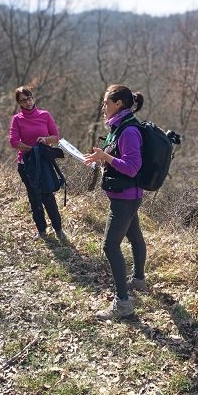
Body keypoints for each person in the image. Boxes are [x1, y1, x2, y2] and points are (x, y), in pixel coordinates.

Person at [84, 84, 147, 320]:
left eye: (106, 103)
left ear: (118, 104)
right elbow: (119, 159)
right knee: (135, 236)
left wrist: (106, 157)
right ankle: (138, 280)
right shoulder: (119, 126)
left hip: (125, 198)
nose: (103, 107)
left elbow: (132, 167)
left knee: (110, 246)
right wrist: (102, 158)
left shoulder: (128, 131)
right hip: (128, 196)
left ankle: (123, 303)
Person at [9, 86, 65, 241]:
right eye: (23, 100)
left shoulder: (45, 115)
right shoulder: (17, 119)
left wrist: (45, 140)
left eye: (29, 98)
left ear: (33, 98)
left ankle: (58, 229)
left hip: (44, 163)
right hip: (26, 164)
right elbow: (14, 142)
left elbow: (56, 137)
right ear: (19, 103)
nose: (27, 102)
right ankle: (41, 230)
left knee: (48, 195)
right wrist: (32, 150)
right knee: (34, 197)